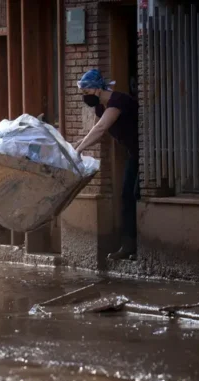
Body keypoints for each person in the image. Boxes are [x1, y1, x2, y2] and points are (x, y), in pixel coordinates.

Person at [74, 69, 140, 260]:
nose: (84, 97)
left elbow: (101, 128)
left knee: (133, 195)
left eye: (86, 92)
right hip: (133, 154)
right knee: (127, 196)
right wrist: (75, 146)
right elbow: (95, 135)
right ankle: (129, 246)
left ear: (97, 89)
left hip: (146, 154)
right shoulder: (100, 108)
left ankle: (138, 246)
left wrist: (78, 151)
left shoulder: (117, 101)